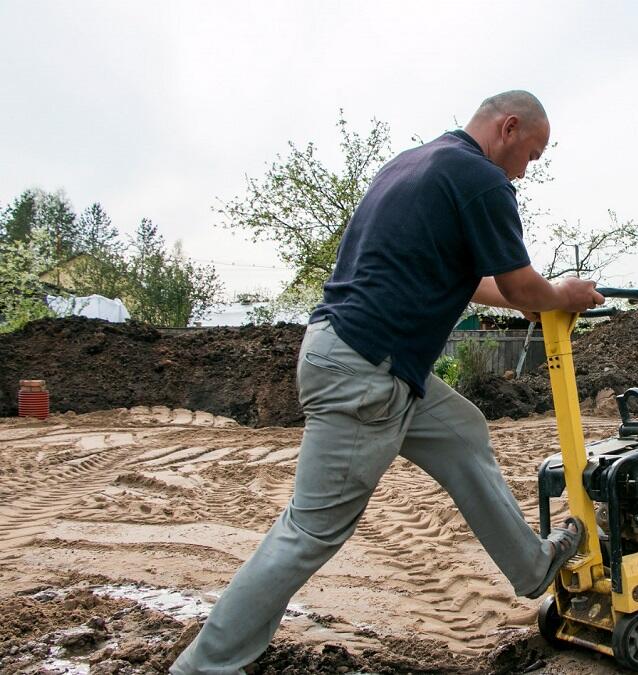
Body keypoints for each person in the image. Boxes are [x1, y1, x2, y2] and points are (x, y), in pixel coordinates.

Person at [171, 90, 603, 675]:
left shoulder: (414, 164)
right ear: (508, 128)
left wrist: (530, 301)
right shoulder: (481, 179)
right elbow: (524, 285)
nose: (526, 171)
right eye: (531, 153)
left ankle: (533, 566)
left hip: (368, 361)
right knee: (309, 531)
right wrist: (559, 295)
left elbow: (478, 281)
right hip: (367, 372)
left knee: (462, 431)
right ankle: (204, 667)